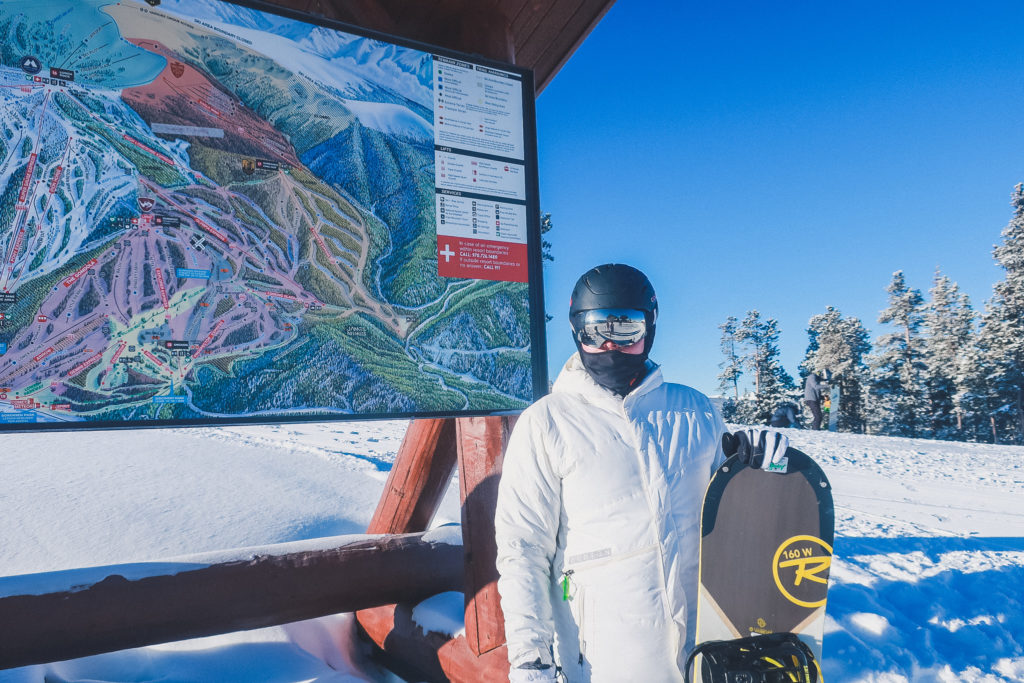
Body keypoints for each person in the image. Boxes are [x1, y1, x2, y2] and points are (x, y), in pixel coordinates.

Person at [494, 263, 789, 683]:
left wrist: (761, 471)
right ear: (577, 332)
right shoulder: (546, 423)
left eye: (627, 329)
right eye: (597, 330)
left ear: (649, 331)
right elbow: (522, 550)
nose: (611, 344)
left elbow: (731, 521)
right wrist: (530, 658)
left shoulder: (695, 411)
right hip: (602, 659)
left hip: (702, 653)